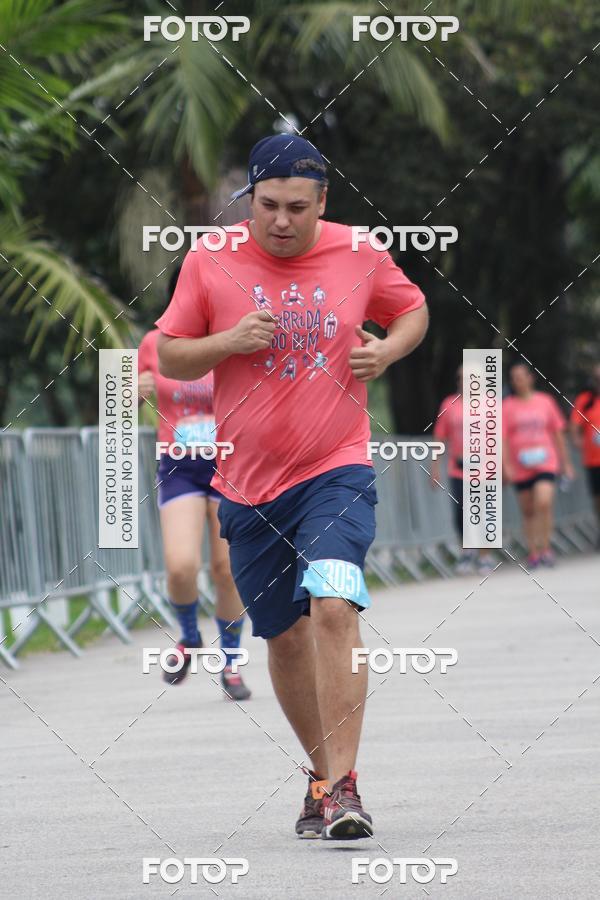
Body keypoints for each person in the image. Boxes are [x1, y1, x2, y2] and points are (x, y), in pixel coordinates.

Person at [155, 134, 428, 840]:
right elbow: (172, 354)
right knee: (281, 635)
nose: (281, 220)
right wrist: (226, 343)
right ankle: (318, 779)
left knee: (333, 604)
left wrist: (388, 349)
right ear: (251, 200)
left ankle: (345, 785)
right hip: (246, 487)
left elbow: (413, 308)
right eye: (268, 205)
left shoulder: (358, 252)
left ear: (323, 203)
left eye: (297, 207)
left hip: (336, 468)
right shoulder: (210, 260)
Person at [138, 269, 251, 701]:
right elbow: (114, 403)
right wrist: (131, 390)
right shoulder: (154, 343)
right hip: (179, 465)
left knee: (226, 571)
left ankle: (232, 664)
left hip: (232, 465)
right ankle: (188, 637)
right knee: (181, 565)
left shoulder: (234, 338)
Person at [502, 362, 574, 569]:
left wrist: (566, 462)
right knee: (528, 510)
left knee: (543, 502)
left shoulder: (545, 402)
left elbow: (557, 433)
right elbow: (503, 438)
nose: (518, 381)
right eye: (514, 377)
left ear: (530, 378)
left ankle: (546, 548)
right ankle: (533, 552)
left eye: (521, 376)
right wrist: (506, 465)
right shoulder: (507, 407)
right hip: (520, 464)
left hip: (545, 461)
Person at [431, 365, 496, 574]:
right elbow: (439, 438)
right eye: (460, 378)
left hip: (485, 468)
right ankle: (467, 551)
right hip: (459, 468)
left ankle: (485, 556)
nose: (463, 381)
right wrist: (434, 468)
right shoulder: (449, 404)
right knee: (461, 512)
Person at [570, 363, 600, 545]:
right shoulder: (586, 400)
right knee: (598, 498)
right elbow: (574, 424)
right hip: (593, 460)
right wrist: (576, 439)